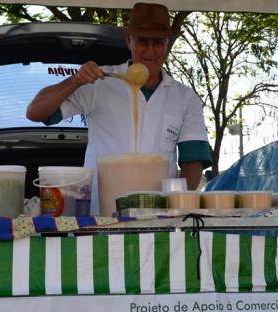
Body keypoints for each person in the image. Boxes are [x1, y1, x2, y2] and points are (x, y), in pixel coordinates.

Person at [26, 2, 212, 214]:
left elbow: (193, 164)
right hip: (100, 214)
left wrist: (175, 210)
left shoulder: (185, 97)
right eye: (142, 41)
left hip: (158, 218)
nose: (150, 51)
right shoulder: (100, 80)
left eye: (158, 42)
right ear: (129, 40)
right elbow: (35, 112)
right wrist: (75, 80)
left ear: (167, 44)